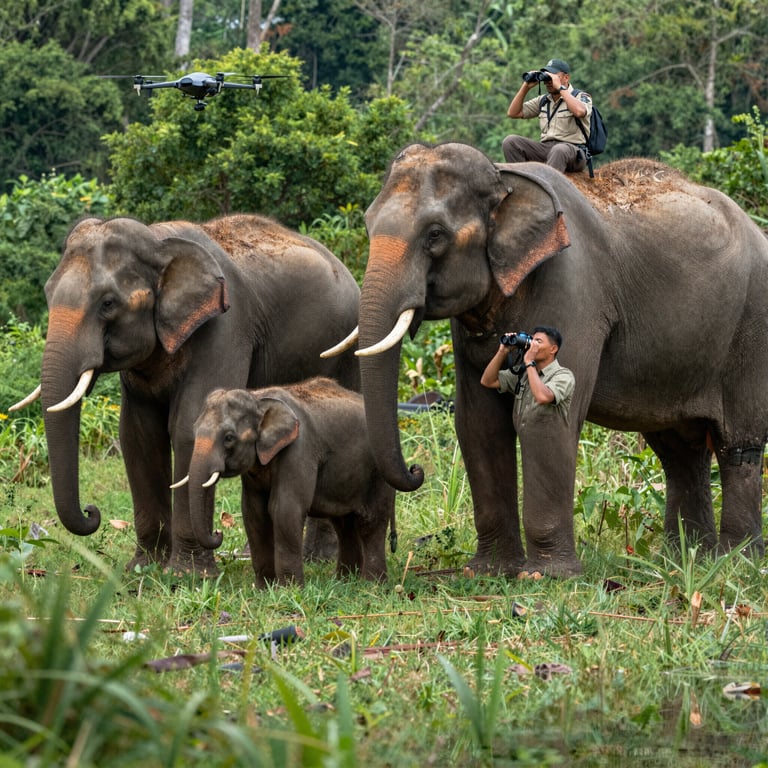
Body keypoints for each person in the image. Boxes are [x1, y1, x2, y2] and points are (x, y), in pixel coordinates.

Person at [501, 58, 592, 174]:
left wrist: (560, 88)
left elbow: (580, 111)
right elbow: (513, 113)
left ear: (566, 77)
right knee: (510, 142)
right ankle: (522, 179)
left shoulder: (581, 96)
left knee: (559, 150)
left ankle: (546, 183)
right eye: (547, 77)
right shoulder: (544, 101)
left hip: (573, 151)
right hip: (547, 149)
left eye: (553, 76)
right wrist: (526, 87)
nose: (549, 81)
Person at [480, 325, 575, 428]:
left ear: (553, 349)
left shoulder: (564, 375)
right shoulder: (523, 373)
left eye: (538, 341)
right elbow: (488, 381)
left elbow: (542, 397)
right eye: (532, 340)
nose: (532, 345)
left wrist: (529, 362)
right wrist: (503, 352)